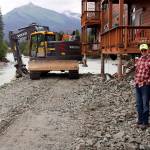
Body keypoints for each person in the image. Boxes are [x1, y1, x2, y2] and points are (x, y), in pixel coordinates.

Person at [134, 43, 150, 130]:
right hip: (137, 85)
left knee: (145, 104)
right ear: (140, 51)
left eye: (145, 50)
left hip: (145, 86)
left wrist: (147, 82)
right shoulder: (139, 60)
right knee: (138, 104)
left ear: (148, 50)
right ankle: (139, 121)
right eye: (142, 50)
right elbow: (136, 72)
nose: (143, 51)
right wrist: (135, 80)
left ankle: (145, 122)